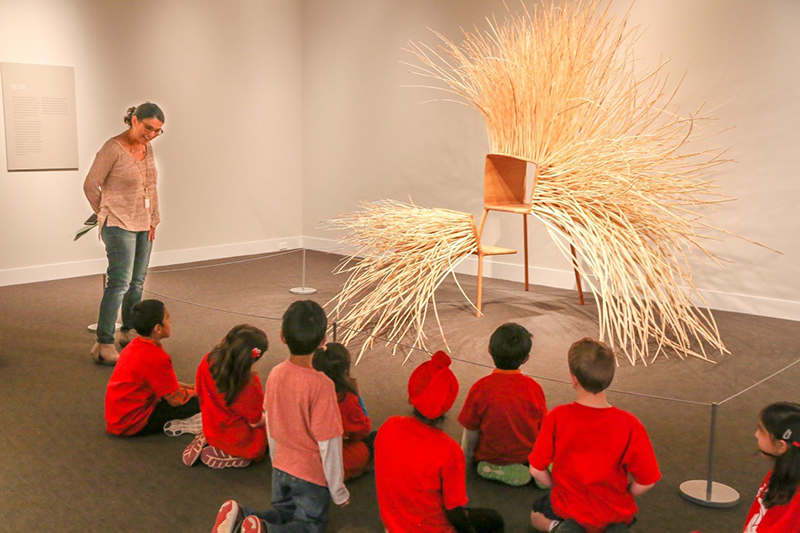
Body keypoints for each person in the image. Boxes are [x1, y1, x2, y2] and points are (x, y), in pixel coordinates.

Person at [211, 300, 348, 533]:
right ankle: (264, 530)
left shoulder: (276, 373)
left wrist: (276, 461)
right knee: (309, 526)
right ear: (323, 341)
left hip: (281, 468)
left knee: (284, 513)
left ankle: (243, 515)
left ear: (283, 336)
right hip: (309, 475)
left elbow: (271, 423)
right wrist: (337, 488)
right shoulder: (323, 385)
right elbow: (329, 441)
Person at [528, 338, 661, 533]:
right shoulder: (630, 424)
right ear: (610, 377)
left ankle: (559, 528)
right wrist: (627, 492)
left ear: (573, 378)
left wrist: (556, 486)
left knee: (535, 516)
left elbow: (536, 470)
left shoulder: (557, 416)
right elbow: (648, 479)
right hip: (614, 509)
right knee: (617, 524)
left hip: (568, 505)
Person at [375, 350, 504, 533]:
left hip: (393, 526)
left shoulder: (389, 426)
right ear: (447, 405)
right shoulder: (449, 450)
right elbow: (454, 511)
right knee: (494, 521)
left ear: (410, 396)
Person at [84, 102, 165, 364]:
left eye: (157, 131)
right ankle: (104, 341)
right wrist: (105, 211)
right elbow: (90, 184)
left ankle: (128, 330)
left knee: (137, 281)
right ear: (134, 121)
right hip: (118, 224)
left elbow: (151, 187)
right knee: (119, 282)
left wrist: (153, 220)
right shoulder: (113, 148)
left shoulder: (147, 148)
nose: (151, 135)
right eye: (148, 128)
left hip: (144, 224)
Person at [458, 323, 547, 486]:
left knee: (484, 461)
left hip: (489, 455)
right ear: (526, 358)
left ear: (489, 350)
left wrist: (467, 458)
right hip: (525, 455)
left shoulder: (480, 388)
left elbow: (470, 430)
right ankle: (536, 469)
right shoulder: (534, 388)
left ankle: (494, 468)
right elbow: (542, 427)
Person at [104, 299, 199, 436]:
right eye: (167, 318)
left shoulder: (134, 345)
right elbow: (176, 399)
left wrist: (191, 387)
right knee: (206, 400)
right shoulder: (156, 357)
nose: (170, 322)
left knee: (197, 394)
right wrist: (202, 391)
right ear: (158, 328)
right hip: (132, 423)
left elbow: (166, 385)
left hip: (118, 417)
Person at [185, 324, 269, 469]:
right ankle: (233, 455)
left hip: (211, 424)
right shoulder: (248, 384)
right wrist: (271, 417)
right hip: (236, 437)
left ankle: (208, 438)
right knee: (263, 444)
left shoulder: (208, 360)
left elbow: (199, 389)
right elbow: (255, 422)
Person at [312, 342, 376, 480]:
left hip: (300, 454)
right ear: (345, 371)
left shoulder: (303, 387)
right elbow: (362, 430)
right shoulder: (346, 400)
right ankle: (355, 470)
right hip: (328, 461)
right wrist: (356, 397)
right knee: (377, 439)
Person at [743, 402, 800, 532]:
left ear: (781, 446)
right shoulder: (785, 471)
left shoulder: (793, 499)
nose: (756, 434)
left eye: (761, 431)